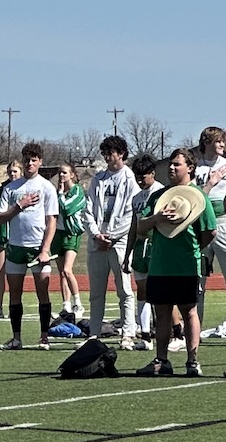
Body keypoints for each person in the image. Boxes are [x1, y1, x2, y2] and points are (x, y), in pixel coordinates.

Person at [132, 150, 217, 378]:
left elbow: (210, 230)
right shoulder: (158, 196)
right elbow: (141, 227)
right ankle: (162, 360)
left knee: (189, 311)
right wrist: (157, 218)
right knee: (162, 313)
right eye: (170, 164)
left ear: (190, 167)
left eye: (177, 165)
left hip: (186, 265)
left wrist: (194, 249)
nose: (171, 168)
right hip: (159, 264)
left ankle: (192, 360)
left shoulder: (199, 196)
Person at [0, 143, 61, 350]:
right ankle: (16, 337)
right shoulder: (11, 188)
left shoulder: (46, 187)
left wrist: (44, 249)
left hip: (37, 247)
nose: (30, 163)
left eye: (34, 160)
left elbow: (51, 221)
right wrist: (19, 206)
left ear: (40, 161)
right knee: (15, 292)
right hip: (15, 247)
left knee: (43, 292)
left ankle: (44, 337)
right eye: (26, 160)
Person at [85, 136, 140, 345]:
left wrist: (112, 236)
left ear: (122, 154)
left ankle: (128, 332)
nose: (108, 157)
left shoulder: (130, 180)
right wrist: (96, 234)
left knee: (124, 290)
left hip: (119, 244)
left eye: (111, 153)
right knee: (96, 292)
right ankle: (94, 333)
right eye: (105, 153)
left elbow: (130, 213)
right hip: (97, 243)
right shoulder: (98, 179)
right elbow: (88, 209)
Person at [191, 126, 226, 329]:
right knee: (198, 281)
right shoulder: (197, 167)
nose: (222, 144)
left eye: (223, 141)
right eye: (218, 141)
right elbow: (191, 195)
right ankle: (195, 327)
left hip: (225, 223)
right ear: (206, 142)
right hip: (201, 227)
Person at [127, 154, 162, 349]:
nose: (140, 180)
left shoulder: (161, 192)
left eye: (143, 176)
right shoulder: (136, 198)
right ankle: (146, 335)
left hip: (156, 246)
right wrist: (127, 255)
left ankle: (174, 333)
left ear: (152, 173)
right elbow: (134, 227)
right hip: (140, 248)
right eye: (137, 176)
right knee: (142, 290)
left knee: (159, 291)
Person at [0, 160, 21, 325]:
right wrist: (7, 211)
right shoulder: (2, 189)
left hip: (21, 234)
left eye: (15, 171)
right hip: (3, 232)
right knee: (0, 269)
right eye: (10, 171)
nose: (12, 174)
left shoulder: (26, 187)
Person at [50, 163, 87, 321]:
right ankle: (66, 306)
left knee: (67, 269)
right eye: (60, 173)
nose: (61, 176)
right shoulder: (57, 192)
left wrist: (59, 194)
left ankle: (78, 303)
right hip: (58, 234)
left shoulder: (77, 191)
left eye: (64, 173)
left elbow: (67, 209)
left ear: (72, 175)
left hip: (72, 233)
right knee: (61, 273)